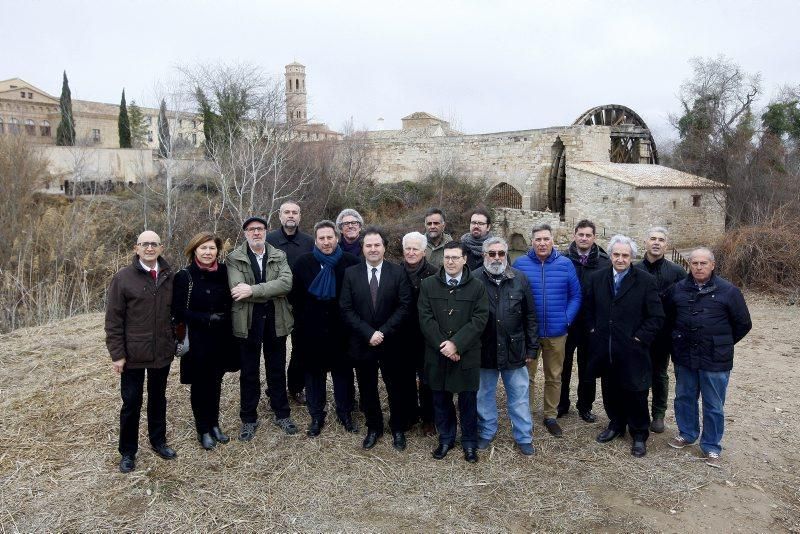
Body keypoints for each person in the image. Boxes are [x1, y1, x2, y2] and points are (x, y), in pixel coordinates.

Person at [664, 247, 751, 468]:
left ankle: (711, 445)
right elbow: (669, 319)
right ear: (689, 265)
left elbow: (743, 324)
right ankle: (687, 433)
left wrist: (721, 343)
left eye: (704, 263)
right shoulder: (678, 290)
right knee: (684, 397)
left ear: (712, 265)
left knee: (713, 404)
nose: (699, 267)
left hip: (715, 359)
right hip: (685, 355)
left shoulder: (729, 291)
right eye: (695, 263)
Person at [584, 235, 665, 458]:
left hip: (633, 349)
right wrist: (593, 330)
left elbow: (656, 317)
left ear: (632, 257)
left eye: (625, 255)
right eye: (616, 254)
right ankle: (616, 424)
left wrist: (639, 338)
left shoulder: (645, 280)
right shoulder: (597, 278)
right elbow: (588, 308)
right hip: (606, 347)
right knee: (610, 389)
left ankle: (639, 434)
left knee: (636, 392)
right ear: (610, 255)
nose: (620, 259)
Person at [105, 230, 177, 473]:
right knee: (131, 403)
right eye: (144, 244)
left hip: (161, 351)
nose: (149, 248)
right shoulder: (123, 278)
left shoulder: (169, 276)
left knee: (158, 399)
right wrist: (117, 354)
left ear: (161, 248)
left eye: (154, 244)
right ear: (136, 248)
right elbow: (113, 320)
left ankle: (158, 441)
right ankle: (128, 451)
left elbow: (175, 314)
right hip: (133, 353)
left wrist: (176, 339)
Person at [340, 227, 413, 450]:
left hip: (392, 343)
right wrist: (368, 333)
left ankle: (398, 428)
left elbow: (405, 305)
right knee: (367, 387)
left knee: (396, 388)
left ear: (384, 247)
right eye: (368, 245)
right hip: (363, 343)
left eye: (377, 245)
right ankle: (374, 427)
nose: (373, 249)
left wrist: (383, 332)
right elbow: (346, 308)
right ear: (362, 248)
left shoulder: (398, 272)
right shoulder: (351, 274)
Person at [418, 241, 489, 463]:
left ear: (464, 259)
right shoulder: (429, 285)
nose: (450, 261)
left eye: (455, 257)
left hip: (466, 354)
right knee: (440, 399)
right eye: (447, 257)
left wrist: (456, 344)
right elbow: (425, 318)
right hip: (437, 353)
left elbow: (479, 319)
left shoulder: (477, 286)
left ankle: (469, 442)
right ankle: (446, 439)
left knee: (468, 401)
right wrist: (445, 346)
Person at [227, 216, 296, 441]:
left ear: (266, 231)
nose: (256, 233)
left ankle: (282, 414)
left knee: (276, 368)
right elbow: (238, 290)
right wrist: (271, 290)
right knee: (249, 372)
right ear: (245, 233)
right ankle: (248, 419)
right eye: (251, 229)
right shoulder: (234, 257)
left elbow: (286, 284)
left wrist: (254, 291)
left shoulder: (278, 254)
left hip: (276, 318)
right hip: (248, 320)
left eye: (260, 229)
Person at [289, 220, 361, 436]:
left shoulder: (350, 262)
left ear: (336, 238)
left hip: (342, 331)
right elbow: (295, 297)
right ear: (316, 240)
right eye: (322, 238)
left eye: (330, 237)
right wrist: (304, 322)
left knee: (343, 374)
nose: (326, 241)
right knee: (313, 375)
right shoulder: (304, 262)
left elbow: (356, 297)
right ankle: (316, 416)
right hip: (311, 330)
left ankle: (345, 413)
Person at [513, 223, 581, 437]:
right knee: (527, 376)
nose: (542, 243)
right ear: (531, 242)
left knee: (554, 375)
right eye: (538, 239)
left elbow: (576, 296)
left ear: (552, 241)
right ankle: (526, 415)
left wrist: (566, 319)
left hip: (556, 332)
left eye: (546, 239)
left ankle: (550, 415)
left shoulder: (565, 264)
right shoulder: (520, 264)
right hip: (529, 333)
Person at [172, 232, 238, 450]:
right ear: (194, 251)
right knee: (201, 385)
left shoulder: (224, 273)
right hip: (198, 339)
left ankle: (215, 424)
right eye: (203, 248)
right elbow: (178, 310)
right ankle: (203, 429)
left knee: (216, 382)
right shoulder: (185, 276)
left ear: (217, 251)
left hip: (221, 337)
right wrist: (206, 318)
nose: (208, 252)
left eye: (212, 248)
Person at [474, 237, 538, 456]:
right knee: (483, 395)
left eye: (501, 253)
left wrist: (532, 348)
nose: (497, 258)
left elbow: (530, 316)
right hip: (485, 349)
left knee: (519, 396)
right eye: (492, 254)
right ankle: (486, 431)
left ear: (507, 255)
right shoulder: (473, 279)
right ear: (484, 255)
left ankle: (523, 436)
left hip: (515, 349)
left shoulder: (520, 279)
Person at [635, 226, 686, 433]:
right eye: (653, 239)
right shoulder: (635, 269)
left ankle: (658, 414)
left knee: (659, 374)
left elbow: (684, 302)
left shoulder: (677, 272)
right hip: (639, 333)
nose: (656, 243)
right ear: (645, 242)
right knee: (638, 374)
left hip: (664, 334)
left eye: (661, 240)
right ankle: (639, 414)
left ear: (667, 244)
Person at [558, 219, 610, 422]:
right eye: (581, 234)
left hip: (591, 324)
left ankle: (585, 406)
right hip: (567, 322)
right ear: (574, 235)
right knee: (563, 366)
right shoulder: (562, 260)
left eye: (588, 235)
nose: (584, 238)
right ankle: (562, 404)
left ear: (594, 237)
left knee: (587, 367)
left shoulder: (604, 263)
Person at [266, 200, 314, 406]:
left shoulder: (309, 241)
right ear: (280, 215)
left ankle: (295, 387)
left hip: (302, 304)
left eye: (295, 212)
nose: (291, 215)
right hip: (275, 303)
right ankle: (275, 388)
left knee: (300, 348)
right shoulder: (269, 240)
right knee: (275, 349)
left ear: (300, 216)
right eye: (287, 212)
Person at [400, 231, 439, 436]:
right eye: (408, 248)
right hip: (402, 336)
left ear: (424, 252)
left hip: (427, 336)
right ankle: (409, 415)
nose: (411, 252)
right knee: (405, 378)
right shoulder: (395, 272)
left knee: (427, 380)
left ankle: (428, 418)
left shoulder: (434, 273)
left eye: (416, 249)